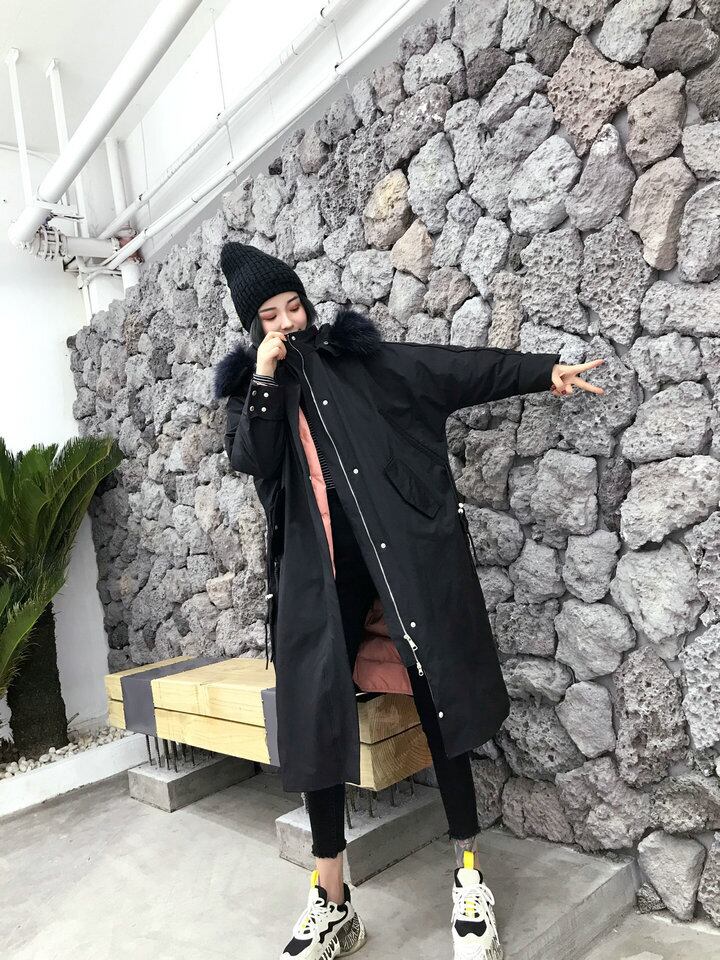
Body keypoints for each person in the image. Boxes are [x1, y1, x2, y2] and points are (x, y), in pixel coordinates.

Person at [214, 242, 605, 960]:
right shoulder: (252, 395)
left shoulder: (356, 361)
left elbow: (447, 369)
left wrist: (541, 372)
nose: (287, 322)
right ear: (251, 326)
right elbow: (253, 459)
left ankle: (468, 878)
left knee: (439, 699)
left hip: (399, 564)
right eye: (269, 315)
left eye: (293, 306)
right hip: (319, 582)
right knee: (314, 722)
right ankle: (333, 904)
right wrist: (266, 377)